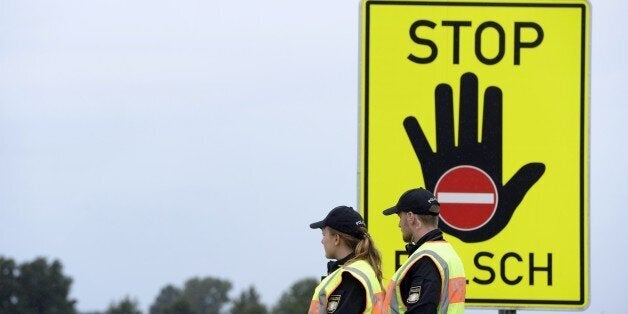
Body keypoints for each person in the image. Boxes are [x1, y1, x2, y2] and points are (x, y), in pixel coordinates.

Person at [381, 188, 466, 313]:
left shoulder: (427, 260)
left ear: (411, 217)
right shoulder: (448, 253)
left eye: (400, 217)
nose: (399, 224)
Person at [309, 205, 385, 314]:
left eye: (324, 234)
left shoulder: (350, 277)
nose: (322, 241)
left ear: (336, 239)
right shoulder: (361, 270)